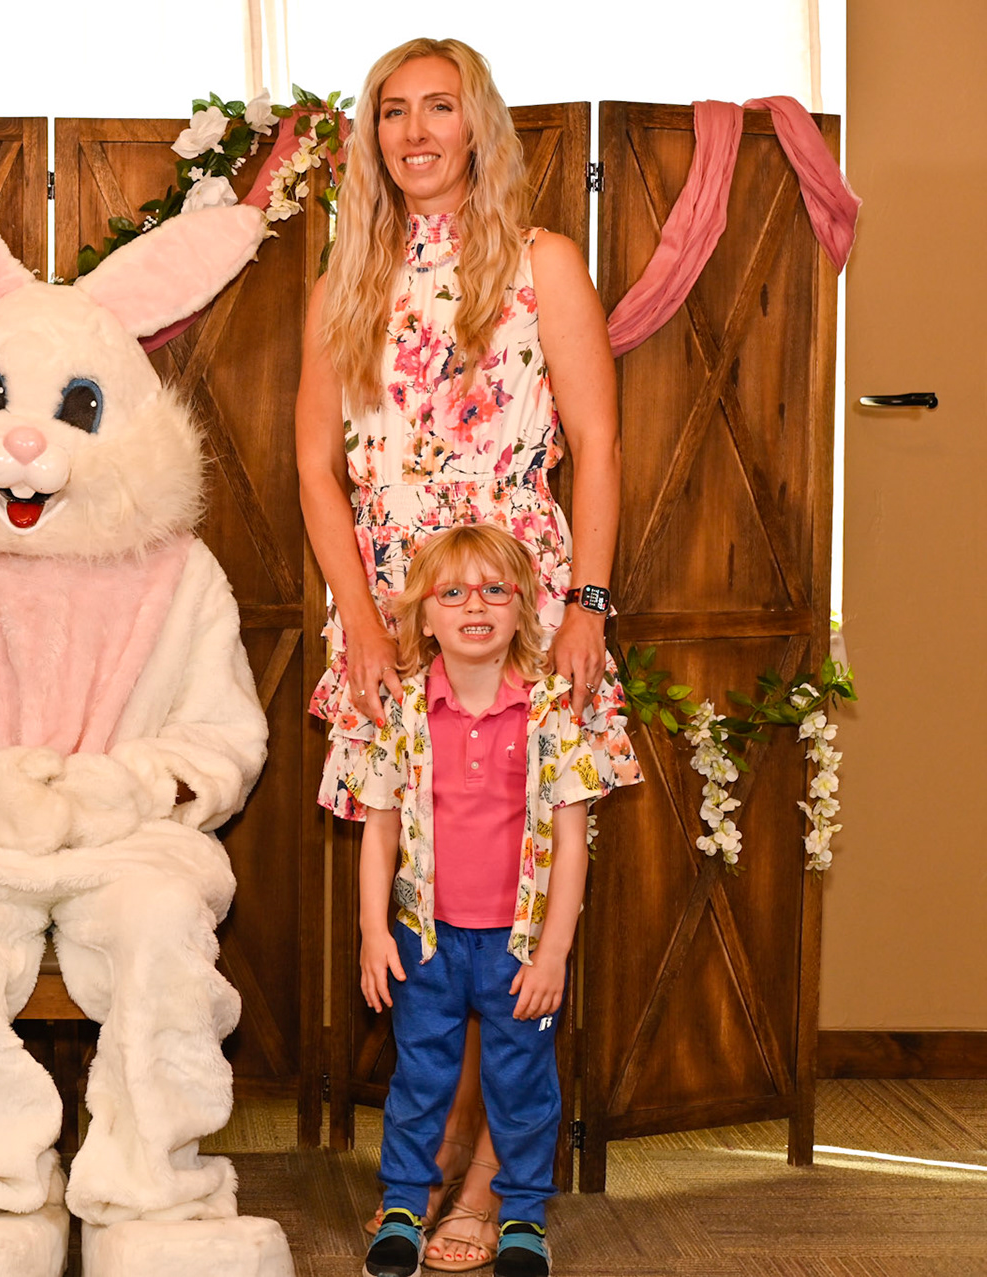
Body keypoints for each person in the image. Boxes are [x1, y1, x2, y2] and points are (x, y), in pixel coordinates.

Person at [293, 36, 643, 1271]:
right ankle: (432, 1150)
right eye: (394, 111)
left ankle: (491, 1178)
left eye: (439, 107)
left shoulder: (544, 263)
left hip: (522, 607)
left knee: (523, 880)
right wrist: (362, 618)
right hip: (399, 619)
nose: (416, 131)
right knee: (431, 889)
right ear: (372, 137)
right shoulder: (347, 280)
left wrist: (588, 601)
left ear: (478, 124)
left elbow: (597, 442)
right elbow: (315, 469)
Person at [353, 524, 604, 1277]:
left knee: (523, 1083)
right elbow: (379, 829)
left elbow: (572, 843)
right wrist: (374, 932)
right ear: (424, 616)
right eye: (454, 592)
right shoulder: (403, 716)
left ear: (523, 610)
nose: (475, 605)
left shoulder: (551, 715)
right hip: (426, 940)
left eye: (497, 590)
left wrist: (554, 951)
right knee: (418, 1077)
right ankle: (405, 1204)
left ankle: (522, 1214)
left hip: (516, 948)